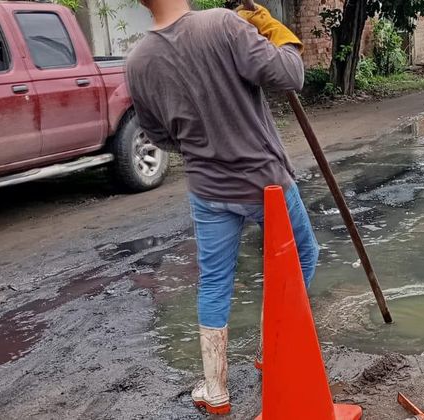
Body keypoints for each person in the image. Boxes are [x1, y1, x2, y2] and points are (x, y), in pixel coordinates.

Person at [126, 1, 318, 415]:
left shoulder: (138, 60)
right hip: (266, 183)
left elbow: (157, 134)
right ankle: (274, 351)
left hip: (207, 188)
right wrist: (271, 27)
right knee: (302, 257)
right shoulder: (223, 24)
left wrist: (202, 147)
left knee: (214, 282)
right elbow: (290, 74)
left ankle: (215, 390)